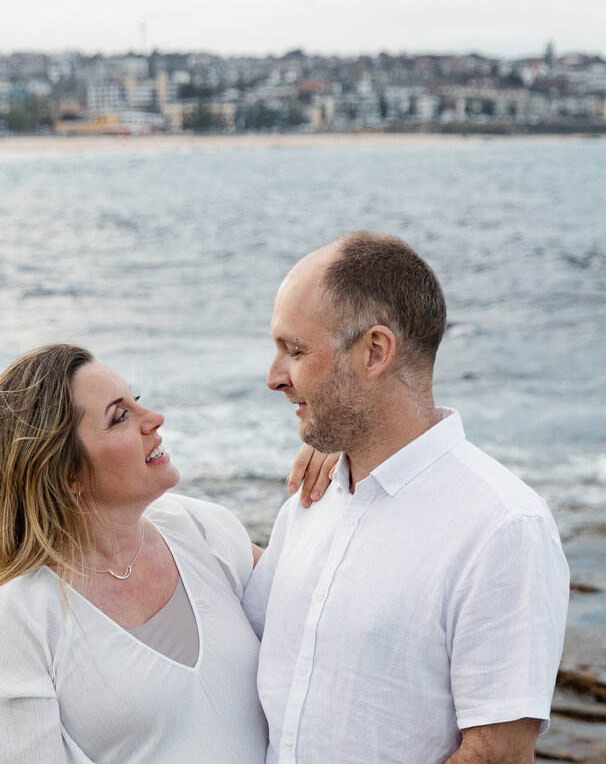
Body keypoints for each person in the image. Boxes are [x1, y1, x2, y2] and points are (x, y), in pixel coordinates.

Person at [0, 343, 332, 763]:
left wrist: (341, 462)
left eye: (137, 399)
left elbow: (329, 613)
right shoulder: (16, 616)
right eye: (119, 417)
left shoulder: (202, 529)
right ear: (67, 473)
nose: (155, 418)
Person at [243, 232, 570, 764]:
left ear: (375, 352)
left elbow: (497, 756)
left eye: (294, 350)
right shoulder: (311, 500)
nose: (273, 377)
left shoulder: (503, 527)